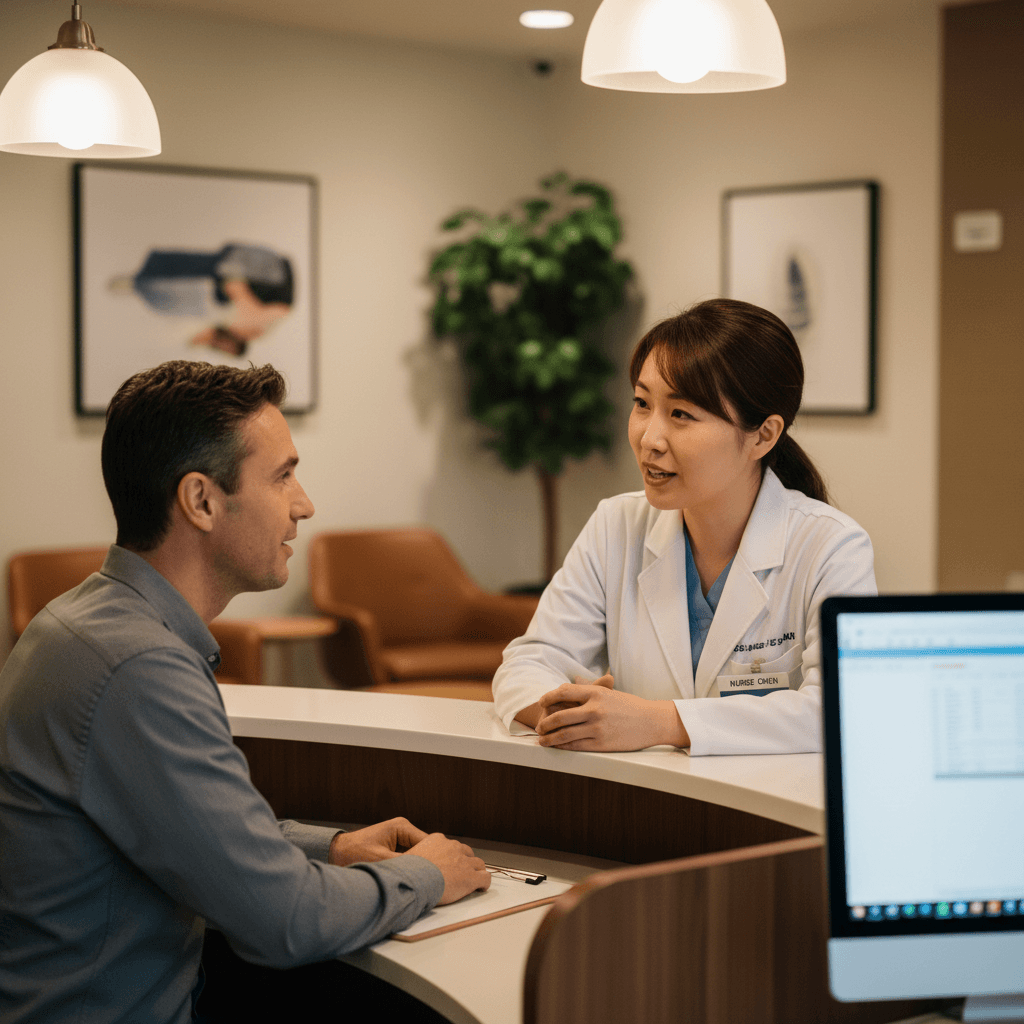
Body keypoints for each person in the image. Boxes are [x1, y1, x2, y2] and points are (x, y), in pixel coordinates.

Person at [0, 360, 489, 1024]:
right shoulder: (138, 666)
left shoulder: (81, 622)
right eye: (282, 475)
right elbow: (287, 921)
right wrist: (431, 874)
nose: (304, 503)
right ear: (201, 500)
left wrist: (333, 848)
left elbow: (196, 835)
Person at [491, 298, 876, 756]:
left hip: (768, 813)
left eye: (681, 415)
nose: (649, 439)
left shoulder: (831, 546)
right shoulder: (617, 525)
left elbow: (838, 710)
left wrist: (659, 721)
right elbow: (530, 660)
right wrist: (571, 717)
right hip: (645, 806)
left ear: (763, 435)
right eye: (641, 403)